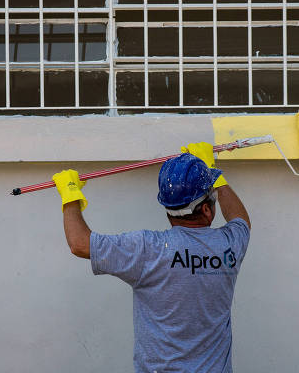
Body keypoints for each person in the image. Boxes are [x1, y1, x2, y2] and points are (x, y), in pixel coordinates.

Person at [52, 142, 251, 373]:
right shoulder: (229, 247)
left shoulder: (148, 249)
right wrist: (214, 175)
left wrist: (70, 194)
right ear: (207, 210)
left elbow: (80, 244)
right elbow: (240, 219)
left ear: (167, 207)